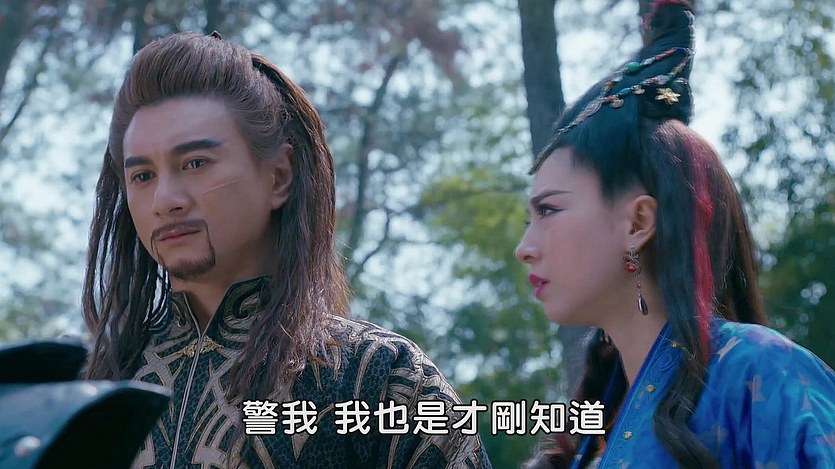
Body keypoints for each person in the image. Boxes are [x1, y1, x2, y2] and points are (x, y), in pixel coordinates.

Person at [82, 31, 491, 468]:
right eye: (142, 176)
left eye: (195, 163)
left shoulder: (380, 378)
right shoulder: (90, 393)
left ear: (279, 177)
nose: (165, 200)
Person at [515, 1, 835, 467]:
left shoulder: (760, 369)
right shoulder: (589, 435)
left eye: (549, 210)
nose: (525, 248)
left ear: (638, 223)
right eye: (529, 220)